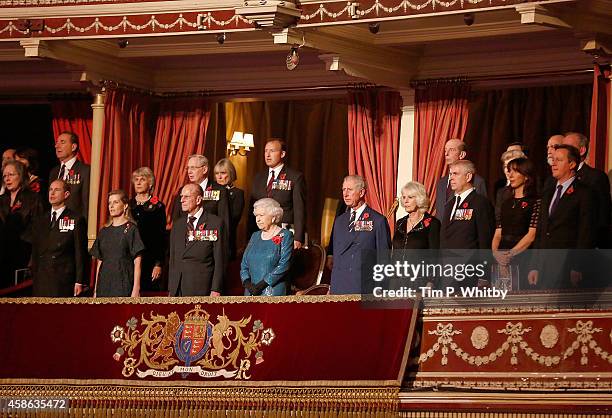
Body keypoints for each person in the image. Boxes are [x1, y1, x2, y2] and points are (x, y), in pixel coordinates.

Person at [528, 145, 596, 289]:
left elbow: (586, 233)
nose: (553, 163)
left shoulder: (584, 193)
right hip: (544, 267)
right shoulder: (548, 192)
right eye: (553, 159)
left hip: (568, 266)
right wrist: (535, 266)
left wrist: (578, 266)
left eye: (559, 160)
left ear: (572, 164)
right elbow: (541, 231)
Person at [328, 175, 391, 295]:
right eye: (343, 189)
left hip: (363, 288)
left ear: (361, 192)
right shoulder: (339, 221)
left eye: (349, 190)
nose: (345, 194)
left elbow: (384, 261)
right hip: (339, 287)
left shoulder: (378, 220)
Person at [26, 179, 88, 297]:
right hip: (41, 279)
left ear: (66, 194)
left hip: (63, 279)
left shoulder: (76, 219)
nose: (52, 193)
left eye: (57, 190)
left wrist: (79, 281)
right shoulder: (40, 220)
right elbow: (36, 251)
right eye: (50, 189)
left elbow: (80, 253)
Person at [491, 158, 540, 289]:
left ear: (526, 176)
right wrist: (496, 254)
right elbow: (498, 232)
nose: (510, 175)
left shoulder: (535, 202)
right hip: (501, 258)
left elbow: (531, 235)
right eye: (509, 171)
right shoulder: (506, 203)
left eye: (515, 171)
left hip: (522, 257)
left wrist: (510, 255)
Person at [249, 138, 306, 249]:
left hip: (283, 233)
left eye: (272, 151)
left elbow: (299, 210)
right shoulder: (259, 177)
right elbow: (251, 211)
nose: (268, 155)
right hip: (261, 234)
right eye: (266, 151)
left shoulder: (295, 177)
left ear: (282, 153)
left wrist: (298, 238)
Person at [168, 183, 224, 297]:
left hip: (201, 286)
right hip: (178, 287)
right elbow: (173, 259)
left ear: (198, 199)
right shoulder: (178, 225)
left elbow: (220, 259)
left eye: (186, 197)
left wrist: (216, 288)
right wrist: (171, 288)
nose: (181, 200)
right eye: (181, 197)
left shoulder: (215, 223)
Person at [171, 154, 230, 261]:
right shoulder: (182, 191)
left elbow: (224, 222)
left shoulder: (219, 191)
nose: (189, 171)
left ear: (204, 169)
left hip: (208, 249)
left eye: (193, 168)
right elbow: (177, 219)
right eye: (188, 168)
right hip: (185, 249)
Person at [91, 190, 145, 297]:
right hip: (104, 284)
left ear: (125, 206)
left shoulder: (131, 229)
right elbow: (99, 263)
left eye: (115, 202)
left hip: (123, 283)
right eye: (109, 203)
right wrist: (96, 290)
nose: (111, 206)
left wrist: (136, 288)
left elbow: (137, 261)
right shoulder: (104, 232)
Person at [563, 132, 611, 248]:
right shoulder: (556, 178)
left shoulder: (595, 177)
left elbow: (602, 216)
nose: (562, 151)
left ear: (582, 150)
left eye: (568, 147)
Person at [0, 161, 44, 288]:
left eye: (11, 174)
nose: (7, 178)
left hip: (24, 256)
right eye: (4, 176)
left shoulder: (34, 199)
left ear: (20, 175)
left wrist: (33, 260)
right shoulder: (2, 200)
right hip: (3, 256)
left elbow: (40, 232)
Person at [241, 198, 293, 296]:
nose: (258, 219)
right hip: (251, 292)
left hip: (273, 292)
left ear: (273, 217)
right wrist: (247, 283)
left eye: (261, 215)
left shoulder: (286, 235)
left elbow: (284, 265)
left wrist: (262, 285)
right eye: (256, 216)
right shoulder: (255, 236)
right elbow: (244, 264)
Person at [440, 160, 494, 251]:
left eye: (455, 174)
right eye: (450, 174)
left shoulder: (480, 203)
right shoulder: (449, 204)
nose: (451, 178)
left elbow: (485, 238)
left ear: (468, 177)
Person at [129, 167, 166, 291]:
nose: (138, 183)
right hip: (129, 259)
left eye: (142, 179)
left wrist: (158, 264)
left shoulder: (158, 206)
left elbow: (161, 238)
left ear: (150, 183)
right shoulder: (128, 205)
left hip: (149, 259)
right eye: (136, 180)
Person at [435, 139, 487, 221]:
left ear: (462, 154)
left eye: (451, 150)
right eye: (445, 150)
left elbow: (482, 213)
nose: (446, 154)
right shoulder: (441, 183)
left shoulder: (476, 181)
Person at [48, 131, 90, 218]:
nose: (56, 146)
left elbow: (87, 203)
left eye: (62, 142)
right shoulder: (54, 172)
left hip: (75, 224)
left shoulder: (85, 171)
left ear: (73, 147)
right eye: (56, 143)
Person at [392, 181, 440, 250]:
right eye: (404, 197)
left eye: (410, 197)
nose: (406, 201)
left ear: (420, 199)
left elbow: (435, 256)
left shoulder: (432, 223)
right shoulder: (400, 223)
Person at [214, 158, 244, 259]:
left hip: (227, 239)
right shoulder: (211, 193)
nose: (219, 176)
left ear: (230, 173)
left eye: (223, 173)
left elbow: (234, 218)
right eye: (217, 173)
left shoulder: (238, 193)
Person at [494, 149, 526, 220]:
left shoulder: (532, 191)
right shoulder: (501, 192)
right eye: (506, 167)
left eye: (512, 168)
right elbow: (498, 218)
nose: (508, 171)